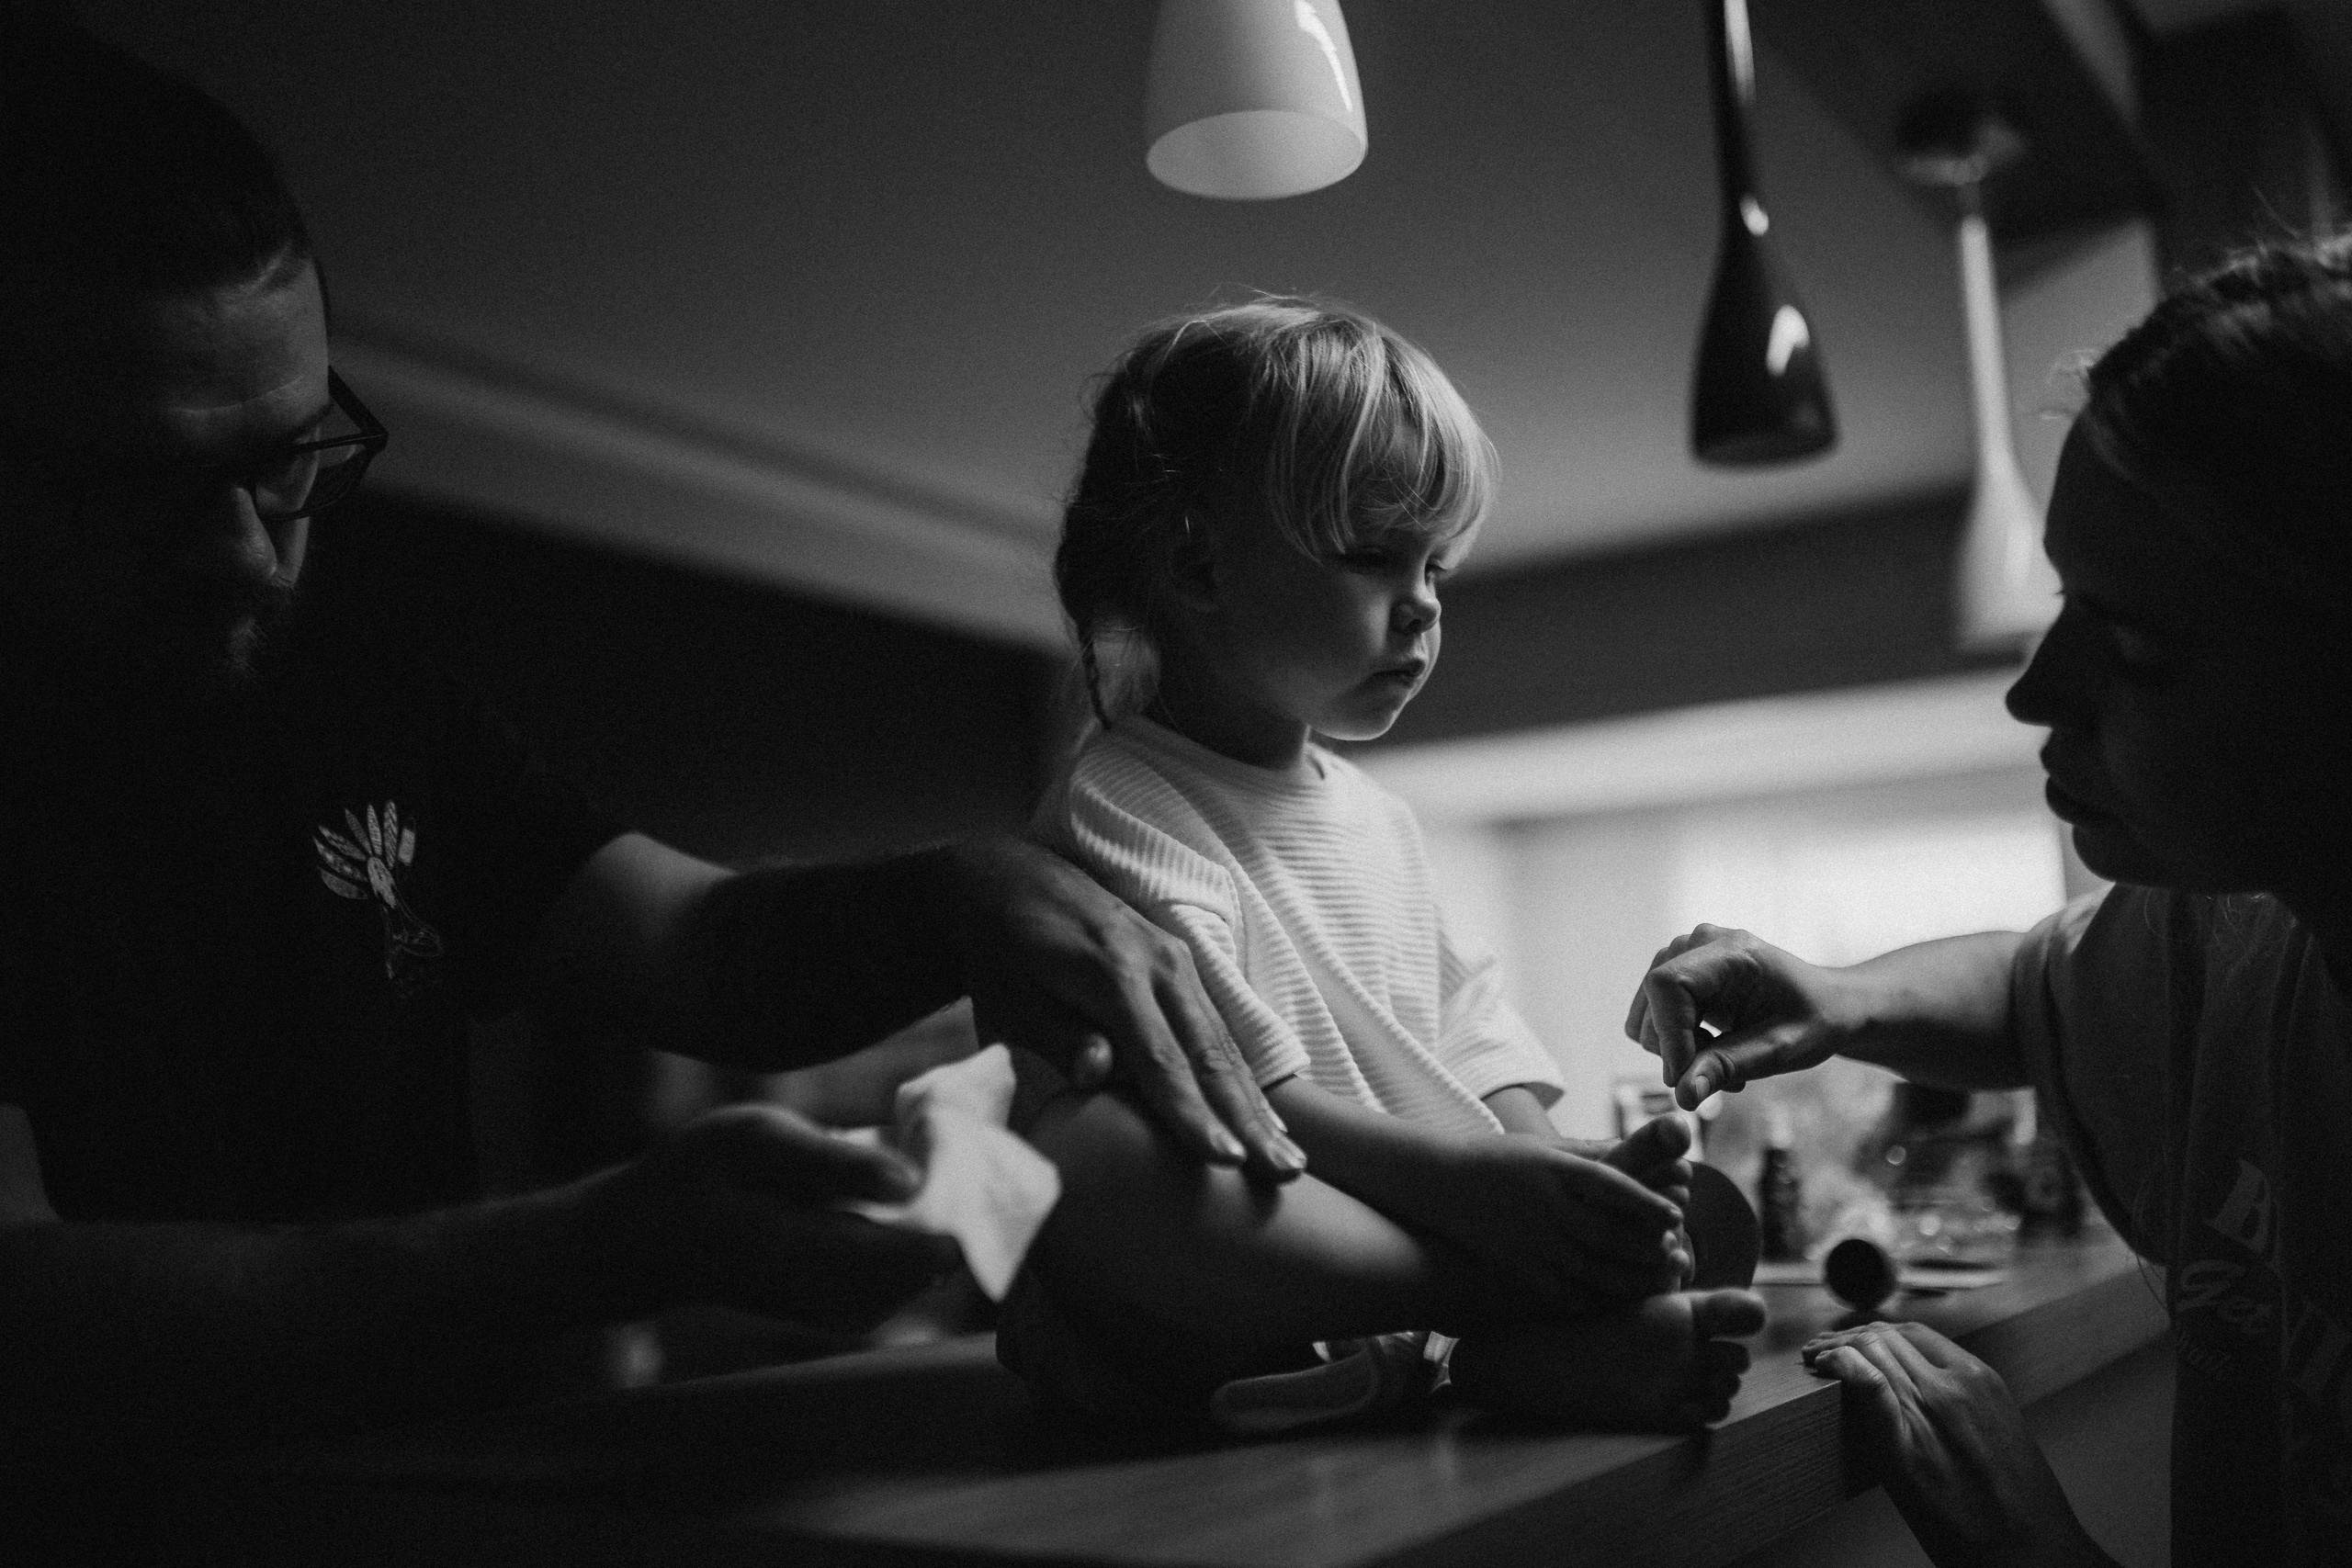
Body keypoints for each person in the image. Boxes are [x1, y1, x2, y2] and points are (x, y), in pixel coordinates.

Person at [0, 23, 1306, 1465]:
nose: (253, 556)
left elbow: (693, 945)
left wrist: (958, 891)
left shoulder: (359, 694)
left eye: (288, 458)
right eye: (149, 489)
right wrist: (599, 1245)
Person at [1628, 234, 2352, 1565]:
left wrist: (2029, 1544)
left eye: (2134, 643)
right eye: (2069, 597)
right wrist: (1840, 998)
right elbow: (2039, 990)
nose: (2032, 690)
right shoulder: (2248, 928)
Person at [1001, 300, 1766, 1431]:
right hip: (1234, 1282)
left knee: (1716, 1211)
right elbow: (1237, 1091)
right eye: (1372, 557)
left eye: (1439, 568)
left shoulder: (1380, 822)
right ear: (1195, 562)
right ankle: (1509, 1311)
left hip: (1416, 1241)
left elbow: (1467, 1029)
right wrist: (1481, 1201)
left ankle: (1500, 1347)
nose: (1422, 608)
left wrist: (1557, 1175)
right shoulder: (1123, 798)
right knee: (1098, 1163)